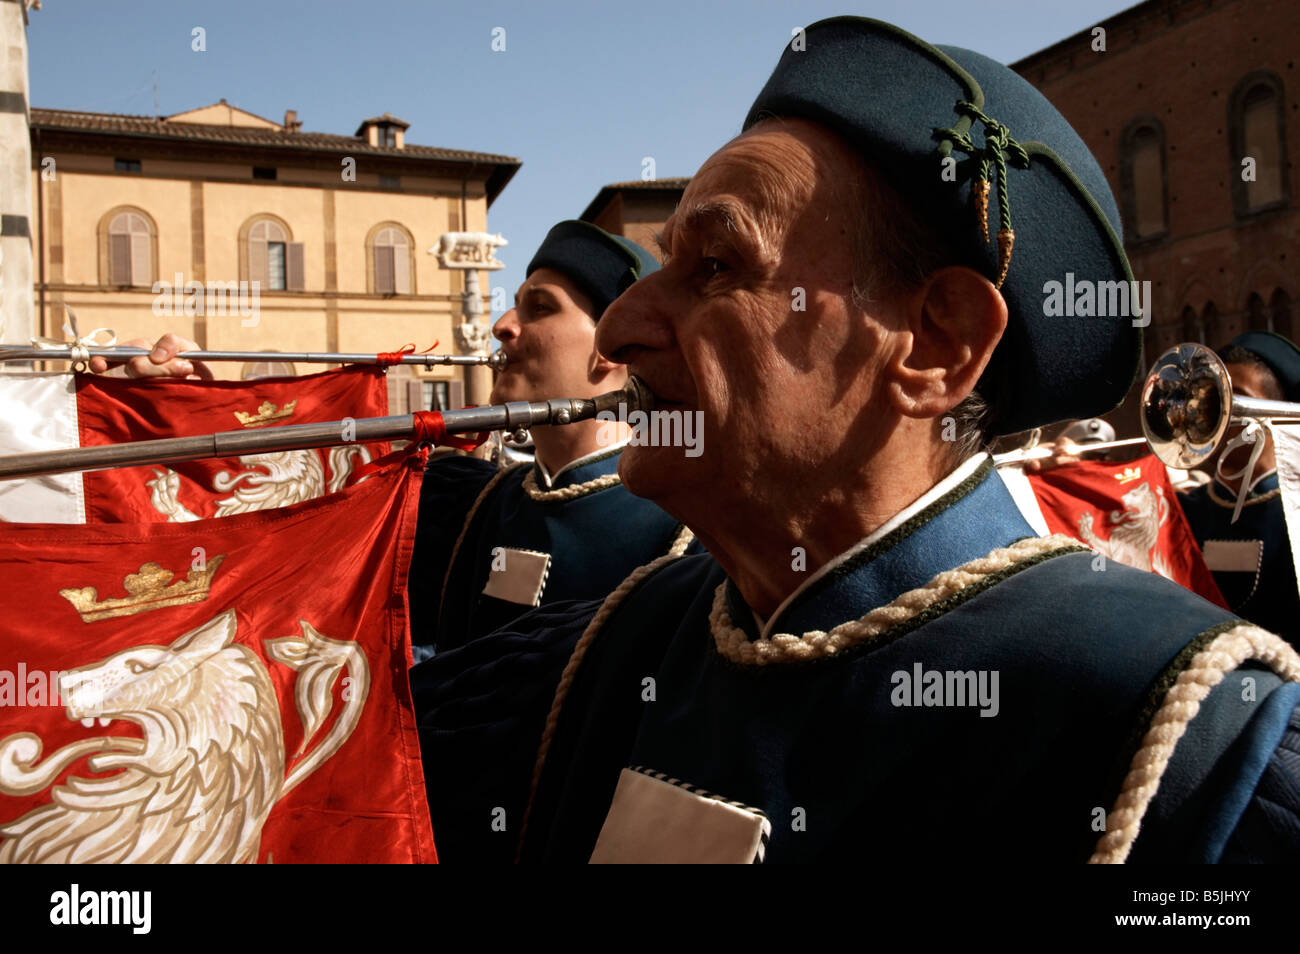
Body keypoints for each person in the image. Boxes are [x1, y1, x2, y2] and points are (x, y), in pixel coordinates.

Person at [411, 16, 1300, 863]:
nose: (621, 332)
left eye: (716, 267)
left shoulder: (1190, 741)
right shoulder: (616, 648)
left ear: (936, 345)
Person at [92, 221, 690, 662]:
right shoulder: (468, 505)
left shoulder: (685, 530)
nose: (502, 326)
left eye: (539, 308)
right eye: (513, 306)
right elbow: (289, 498)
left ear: (612, 347)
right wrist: (176, 412)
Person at [1178, 332, 1300, 642]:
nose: (1217, 413)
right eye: (1211, 397)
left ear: (1282, 413)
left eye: (1238, 397)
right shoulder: (1181, 511)